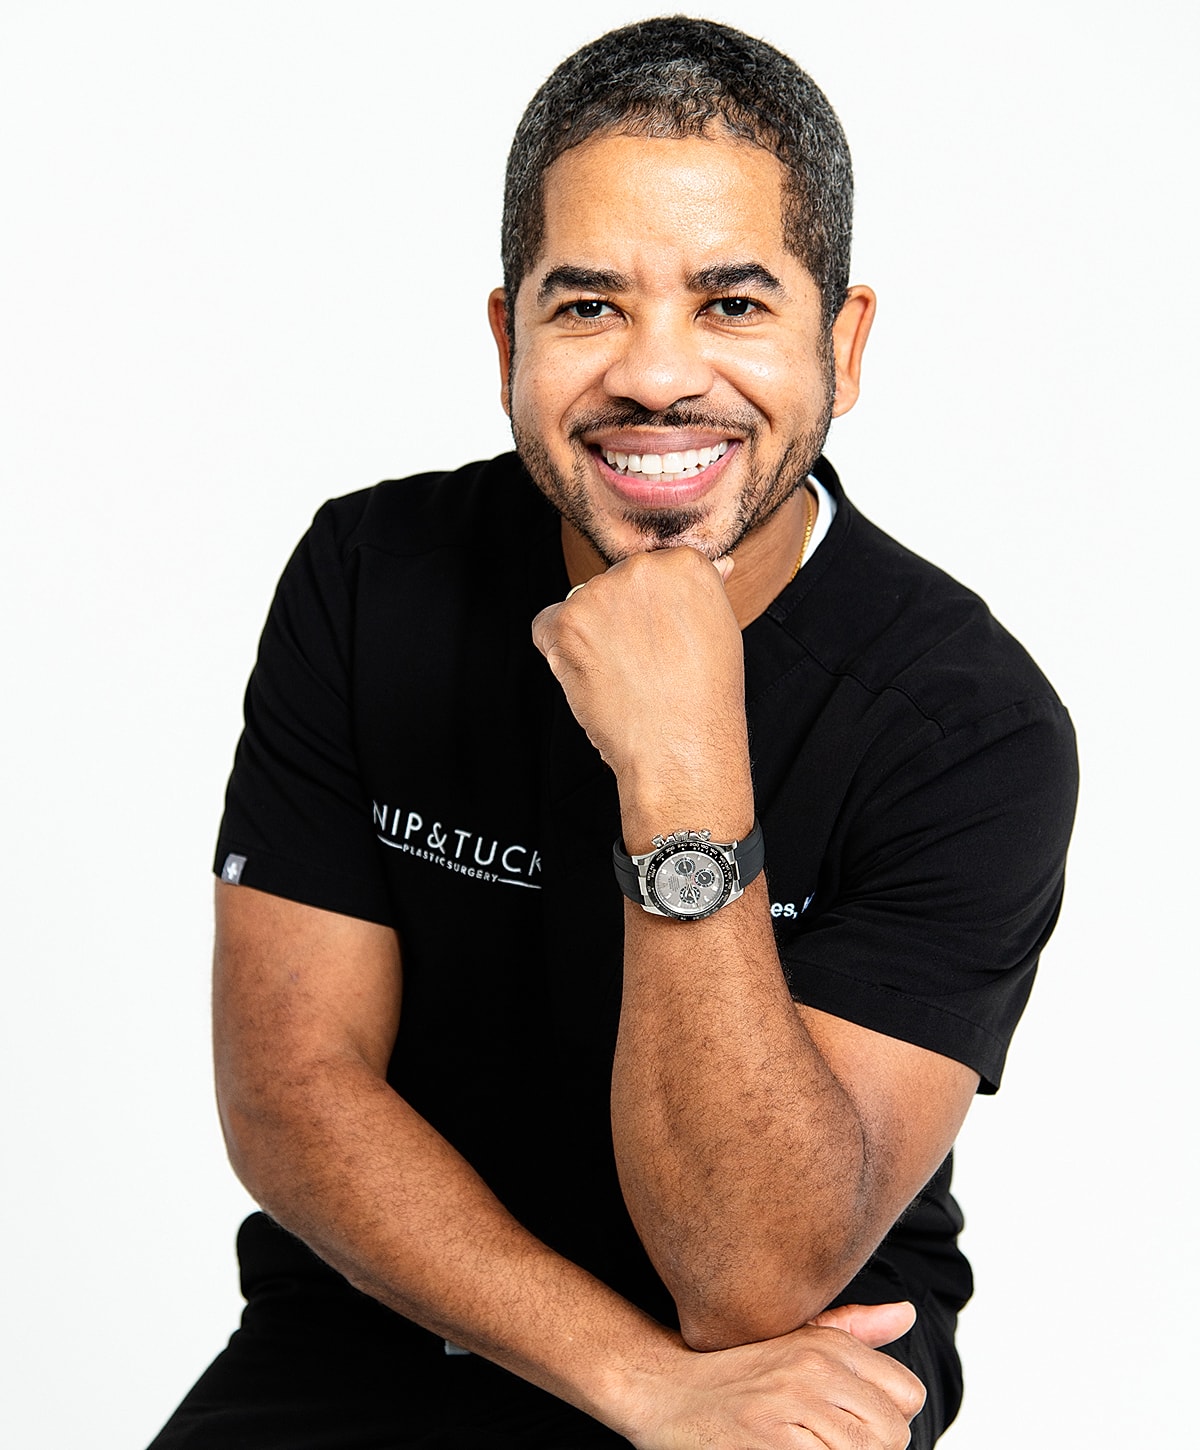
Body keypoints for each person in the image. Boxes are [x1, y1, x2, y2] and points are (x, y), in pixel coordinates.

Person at [150, 16, 1077, 1450]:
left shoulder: (968, 723)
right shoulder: (368, 576)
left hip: (790, 1359)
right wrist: (635, 1379)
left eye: (732, 304)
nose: (655, 375)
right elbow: (288, 1089)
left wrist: (684, 754)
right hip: (392, 1315)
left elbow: (747, 1271)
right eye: (588, 307)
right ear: (508, 337)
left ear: (844, 340)